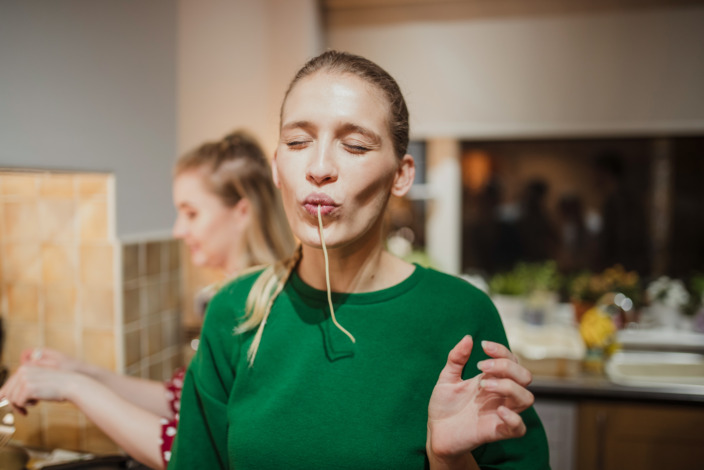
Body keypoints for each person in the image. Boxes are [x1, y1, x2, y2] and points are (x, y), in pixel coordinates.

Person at [169, 51, 549, 469]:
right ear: (277, 167)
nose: (319, 167)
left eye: (354, 145)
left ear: (402, 175)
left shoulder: (460, 315)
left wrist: (449, 459)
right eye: (297, 142)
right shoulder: (234, 311)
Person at [0, 130, 294, 469]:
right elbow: (182, 401)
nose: (178, 230)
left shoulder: (254, 308)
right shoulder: (241, 296)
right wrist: (81, 371)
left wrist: (72, 386)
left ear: (242, 211)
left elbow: (184, 449)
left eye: (191, 213)